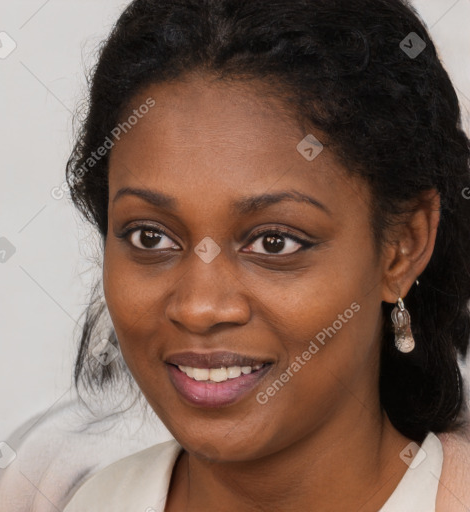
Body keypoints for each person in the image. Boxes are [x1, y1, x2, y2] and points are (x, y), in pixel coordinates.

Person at [62, 0, 470, 510]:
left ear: (402, 248)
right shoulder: (93, 501)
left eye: (274, 242)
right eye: (150, 237)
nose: (199, 307)